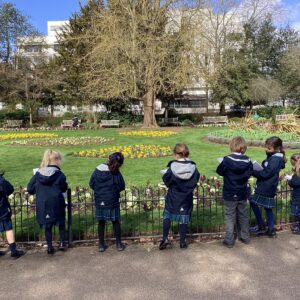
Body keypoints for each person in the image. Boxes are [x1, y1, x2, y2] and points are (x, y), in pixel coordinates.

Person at [159, 144, 200, 250]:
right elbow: (195, 179)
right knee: (183, 217)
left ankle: (164, 239)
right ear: (187, 153)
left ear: (176, 154)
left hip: (173, 196)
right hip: (186, 197)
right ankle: (182, 241)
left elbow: (167, 180)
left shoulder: (172, 167)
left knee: (167, 215)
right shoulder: (193, 167)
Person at [27, 150, 68, 254]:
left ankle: (49, 247)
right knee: (61, 222)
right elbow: (63, 188)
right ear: (57, 160)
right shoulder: (59, 174)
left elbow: (30, 189)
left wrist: (38, 188)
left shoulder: (38, 174)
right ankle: (62, 242)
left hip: (43, 202)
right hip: (56, 201)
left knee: (47, 225)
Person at [216, 136, 253, 248]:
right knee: (243, 215)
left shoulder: (227, 160)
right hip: (242, 191)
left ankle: (229, 240)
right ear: (243, 147)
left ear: (231, 146)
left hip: (230, 192)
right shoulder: (248, 160)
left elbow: (220, 171)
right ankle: (245, 237)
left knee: (230, 216)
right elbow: (249, 172)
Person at [89, 152, 125, 252]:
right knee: (115, 221)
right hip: (112, 199)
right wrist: (114, 190)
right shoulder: (115, 172)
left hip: (100, 199)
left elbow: (91, 183)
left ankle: (101, 245)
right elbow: (122, 185)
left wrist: (99, 190)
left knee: (101, 222)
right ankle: (118, 244)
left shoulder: (98, 169)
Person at [250, 136, 286, 237]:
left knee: (253, 202)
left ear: (277, 148)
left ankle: (261, 225)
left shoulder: (275, 159)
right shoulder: (274, 157)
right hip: (268, 186)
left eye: (269, 148)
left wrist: (254, 172)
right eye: (266, 147)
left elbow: (266, 173)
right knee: (267, 208)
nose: (266, 149)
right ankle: (271, 229)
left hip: (266, 187)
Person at [0, 170, 24, 258]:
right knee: (8, 228)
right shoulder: (1, 181)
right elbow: (10, 189)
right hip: (2, 208)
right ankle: (13, 251)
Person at [286, 154, 300, 234]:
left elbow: (296, 182)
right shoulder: (297, 169)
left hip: (298, 194)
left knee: (297, 211)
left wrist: (289, 181)